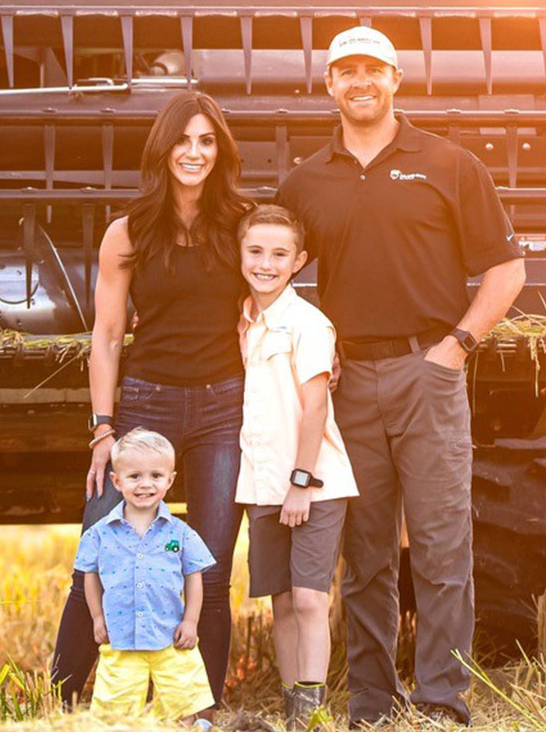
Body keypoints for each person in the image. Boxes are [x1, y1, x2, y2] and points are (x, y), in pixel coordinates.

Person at [275, 26, 526, 726]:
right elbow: (270, 271)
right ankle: (372, 703)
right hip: (348, 380)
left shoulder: (448, 164)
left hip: (429, 373)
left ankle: (444, 700)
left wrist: (456, 346)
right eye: (345, 71)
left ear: (396, 79)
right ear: (328, 85)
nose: (360, 82)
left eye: (373, 70)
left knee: (444, 547)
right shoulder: (304, 182)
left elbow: (507, 269)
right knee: (367, 554)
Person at [52, 91, 249, 710]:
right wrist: (103, 429)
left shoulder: (243, 223)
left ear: (221, 150)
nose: (194, 153)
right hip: (145, 406)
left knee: (209, 571)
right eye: (183, 141)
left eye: (207, 140)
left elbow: (274, 297)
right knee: (103, 555)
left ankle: (200, 710)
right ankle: (59, 699)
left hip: (225, 407)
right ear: (162, 150)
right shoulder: (128, 231)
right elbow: (107, 336)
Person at [234, 204, 358, 727]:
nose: (266, 263)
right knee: (280, 603)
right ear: (239, 255)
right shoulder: (246, 320)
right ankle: (291, 710)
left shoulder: (307, 323)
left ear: (298, 261)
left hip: (312, 482)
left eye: (279, 254)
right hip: (262, 482)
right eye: (255, 251)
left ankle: (312, 718)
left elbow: (315, 407)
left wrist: (301, 483)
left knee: (309, 599)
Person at [75, 427, 216, 723]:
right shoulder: (99, 535)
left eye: (156, 476)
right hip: (121, 636)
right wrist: (98, 617)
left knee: (182, 704)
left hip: (170, 635)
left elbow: (194, 575)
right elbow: (90, 575)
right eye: (135, 476)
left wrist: (190, 621)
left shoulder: (181, 533)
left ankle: (187, 727)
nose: (145, 485)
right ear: (116, 480)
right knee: (115, 713)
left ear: (170, 480)